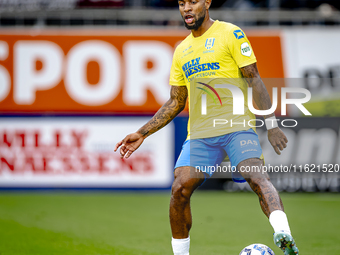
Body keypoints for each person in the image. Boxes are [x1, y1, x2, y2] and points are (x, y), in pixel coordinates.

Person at [114, 0, 299, 254]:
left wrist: (272, 124)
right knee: (179, 188)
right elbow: (176, 101)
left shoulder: (230, 34)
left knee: (256, 176)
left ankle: (283, 233)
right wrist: (142, 132)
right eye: (181, 3)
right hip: (201, 135)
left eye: (192, 2)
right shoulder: (182, 50)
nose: (186, 8)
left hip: (236, 127)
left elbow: (254, 78)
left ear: (207, 2)